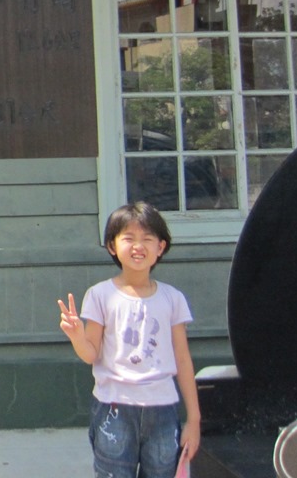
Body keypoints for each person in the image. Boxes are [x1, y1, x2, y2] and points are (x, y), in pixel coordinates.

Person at [57, 201, 201, 478]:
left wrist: (194, 419)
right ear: (112, 246)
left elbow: (182, 359)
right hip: (114, 408)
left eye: (147, 239)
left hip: (163, 410)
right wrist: (76, 335)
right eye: (129, 238)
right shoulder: (100, 295)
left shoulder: (172, 298)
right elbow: (90, 353)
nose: (138, 246)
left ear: (161, 247)